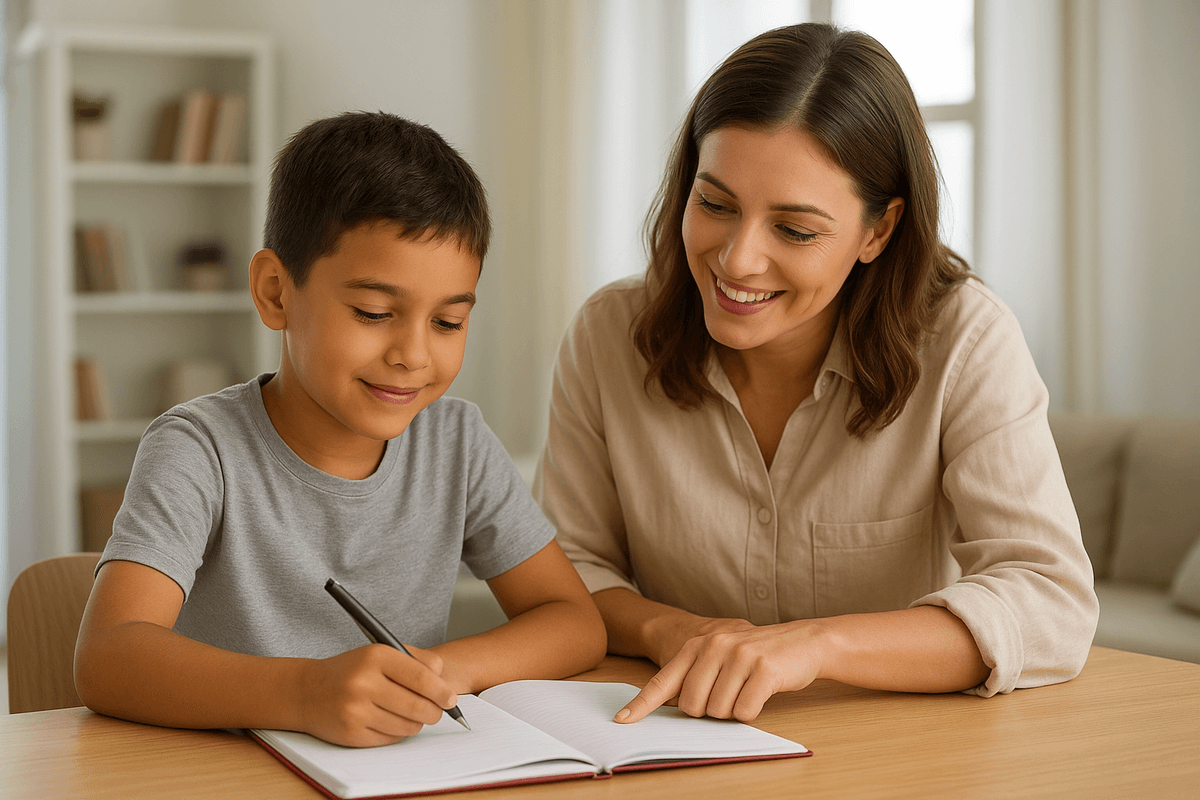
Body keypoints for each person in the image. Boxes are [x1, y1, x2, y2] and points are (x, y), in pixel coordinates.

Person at [534, 23, 1098, 726]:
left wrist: (815, 646)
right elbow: (564, 572)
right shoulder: (607, 335)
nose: (737, 260)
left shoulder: (966, 341)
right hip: (677, 739)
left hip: (903, 749)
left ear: (877, 231)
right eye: (715, 204)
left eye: (795, 230)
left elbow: (1050, 600)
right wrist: (673, 631)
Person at [74, 111, 606, 747]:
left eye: (447, 323)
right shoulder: (198, 449)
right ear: (276, 292)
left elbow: (575, 622)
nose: (413, 355)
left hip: (392, 775)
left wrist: (437, 671)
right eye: (374, 313)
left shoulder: (456, 444)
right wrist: (306, 693)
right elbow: (108, 656)